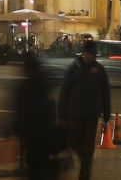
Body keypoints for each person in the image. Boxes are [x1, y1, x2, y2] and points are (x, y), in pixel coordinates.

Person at [58, 39, 111, 180]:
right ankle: (84, 162)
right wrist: (62, 113)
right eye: (86, 53)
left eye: (90, 54)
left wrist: (106, 114)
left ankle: (84, 175)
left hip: (91, 115)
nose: (88, 56)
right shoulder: (74, 68)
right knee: (74, 143)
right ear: (83, 53)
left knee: (88, 148)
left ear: (94, 55)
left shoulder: (99, 70)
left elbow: (105, 92)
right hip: (74, 113)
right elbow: (64, 92)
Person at [14, 54, 60, 180]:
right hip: (43, 133)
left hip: (34, 133)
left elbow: (22, 110)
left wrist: (18, 127)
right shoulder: (44, 83)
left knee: (35, 167)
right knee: (39, 166)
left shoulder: (26, 86)